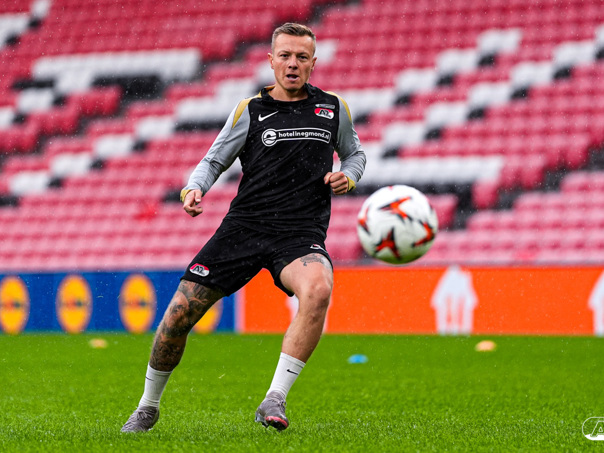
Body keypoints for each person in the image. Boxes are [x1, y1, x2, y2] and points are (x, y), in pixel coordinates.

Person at [121, 22, 366, 433]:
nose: (292, 64)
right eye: (285, 56)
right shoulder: (250, 110)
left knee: (319, 288)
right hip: (243, 229)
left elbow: (355, 154)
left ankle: (275, 397)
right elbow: (213, 160)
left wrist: (349, 175)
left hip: (299, 234)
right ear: (271, 61)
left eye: (301, 57)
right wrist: (194, 188)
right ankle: (148, 406)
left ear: (313, 62)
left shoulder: (333, 108)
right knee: (178, 315)